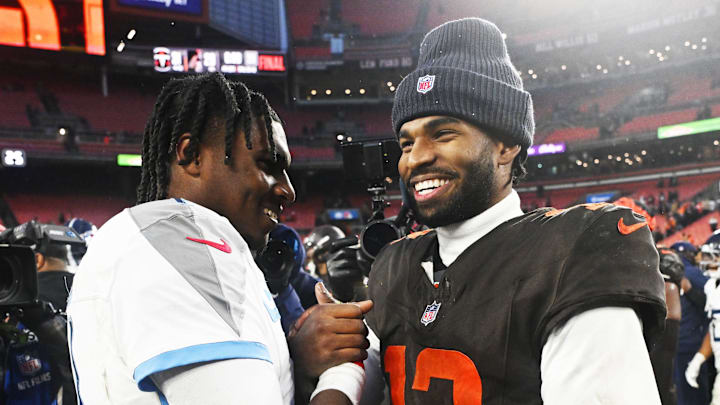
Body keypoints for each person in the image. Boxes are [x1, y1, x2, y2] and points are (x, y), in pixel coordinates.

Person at [357, 18, 666, 404]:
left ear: (506, 145)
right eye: (406, 143)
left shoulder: (572, 252)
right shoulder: (394, 262)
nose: (415, 159)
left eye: (443, 133)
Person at [67, 73, 371, 405]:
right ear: (192, 155)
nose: (288, 190)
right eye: (268, 165)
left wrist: (294, 359)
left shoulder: (190, 241)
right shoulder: (179, 238)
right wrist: (345, 371)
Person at [672, 241, 711, 405]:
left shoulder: (659, 274)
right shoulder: (694, 273)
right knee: (698, 394)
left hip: (671, 343)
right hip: (694, 344)